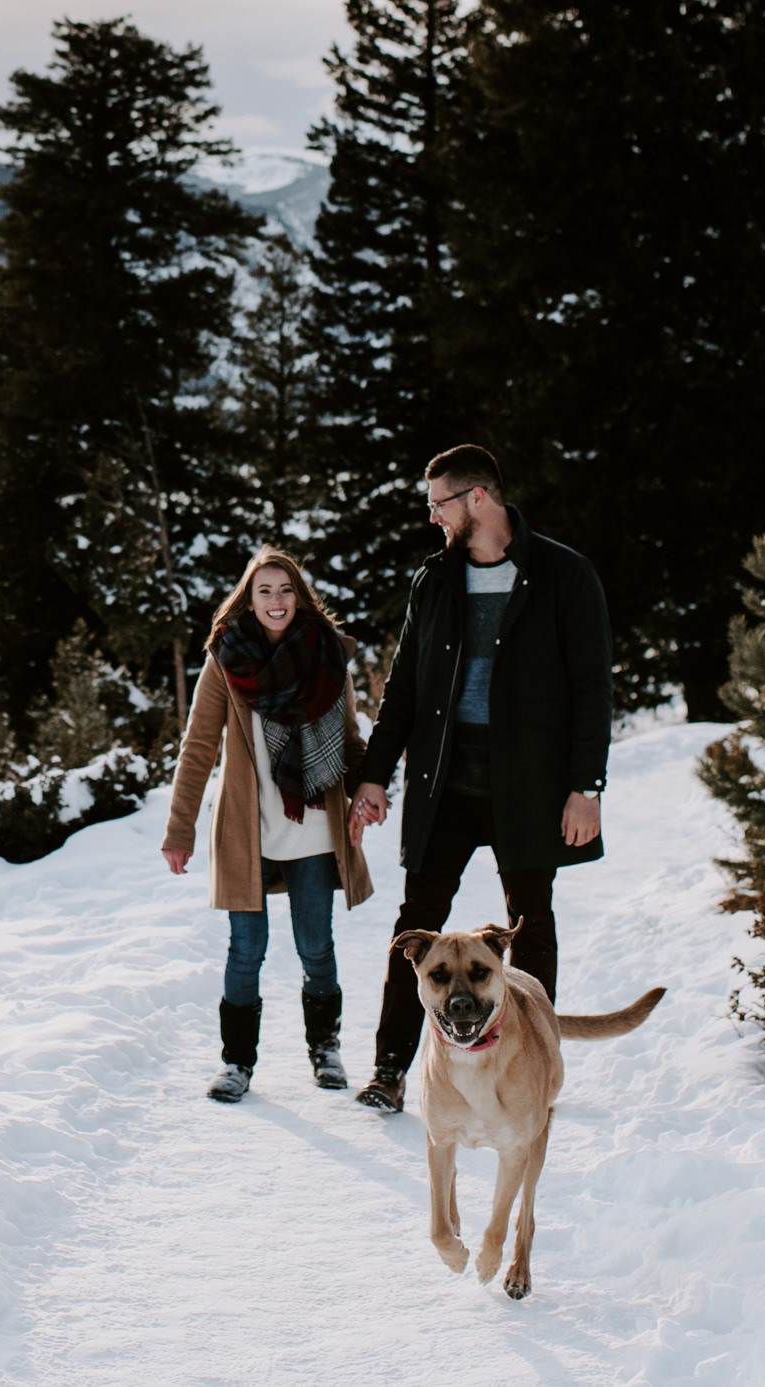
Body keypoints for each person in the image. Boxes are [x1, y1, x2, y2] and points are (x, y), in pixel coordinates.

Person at [349, 445, 611, 1112]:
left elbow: (591, 688)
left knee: (530, 930)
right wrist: (374, 777)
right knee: (418, 926)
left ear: (477, 499)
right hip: (446, 785)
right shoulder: (433, 579)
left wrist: (588, 785)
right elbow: (404, 689)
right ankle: (389, 1068)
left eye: (439, 504)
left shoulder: (562, 573)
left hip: (529, 784)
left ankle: (536, 1068)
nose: (433, 517)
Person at [163, 547, 377, 1102]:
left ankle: (325, 1049)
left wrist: (365, 792)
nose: (276, 601)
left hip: (311, 826)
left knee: (315, 947)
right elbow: (198, 747)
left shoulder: (328, 655)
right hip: (248, 829)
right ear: (249, 599)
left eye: (285, 590)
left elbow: (351, 742)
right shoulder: (226, 658)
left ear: (298, 596)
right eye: (265, 591)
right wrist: (179, 828)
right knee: (244, 949)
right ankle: (237, 1063)